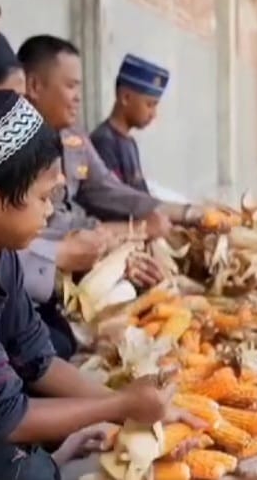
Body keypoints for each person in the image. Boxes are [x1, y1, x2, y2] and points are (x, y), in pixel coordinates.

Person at [0, 89, 199, 479]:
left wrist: (131, 405)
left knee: (56, 442)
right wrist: (118, 408)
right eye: (44, 197)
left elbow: (38, 361)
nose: (51, 212)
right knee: (28, 468)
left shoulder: (1, 259)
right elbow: (6, 419)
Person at [15, 35, 202, 359]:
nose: (78, 98)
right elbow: (46, 224)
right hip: (46, 270)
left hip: (83, 256)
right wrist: (121, 236)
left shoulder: (73, 138)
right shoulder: (12, 147)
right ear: (34, 85)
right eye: (71, 86)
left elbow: (105, 188)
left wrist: (187, 213)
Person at [90, 54, 168, 194]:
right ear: (125, 98)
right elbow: (115, 198)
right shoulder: (103, 142)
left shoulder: (129, 142)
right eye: (149, 105)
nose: (154, 114)